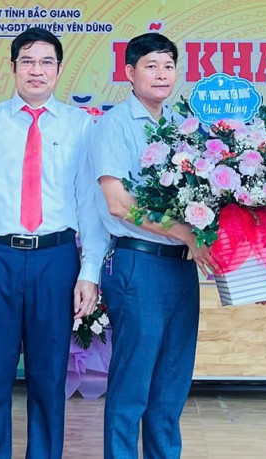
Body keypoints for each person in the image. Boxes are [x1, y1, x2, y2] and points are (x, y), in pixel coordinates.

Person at [0, 27, 107, 459]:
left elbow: (89, 203)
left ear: (59, 69)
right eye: (28, 61)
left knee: (49, 378)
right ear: (13, 67)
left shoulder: (80, 125)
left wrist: (89, 272)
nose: (37, 70)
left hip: (55, 260)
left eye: (46, 62)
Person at [88, 32, 214, 459]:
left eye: (168, 66)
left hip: (180, 266)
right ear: (129, 72)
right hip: (138, 264)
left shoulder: (182, 127)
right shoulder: (114, 125)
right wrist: (185, 232)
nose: (162, 74)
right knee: (133, 383)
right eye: (151, 66)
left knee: (172, 384)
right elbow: (118, 203)